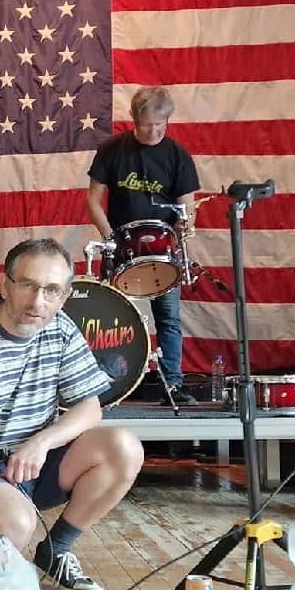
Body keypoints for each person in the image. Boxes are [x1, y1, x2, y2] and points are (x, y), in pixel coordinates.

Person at [0, 239, 145, 590]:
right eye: (27, 285)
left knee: (124, 447)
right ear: (4, 284)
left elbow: (90, 408)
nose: (37, 301)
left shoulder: (60, 328)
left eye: (51, 290)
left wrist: (42, 442)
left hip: (37, 461)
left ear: (64, 296)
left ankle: (56, 551)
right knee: (16, 524)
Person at [86, 86, 201, 405]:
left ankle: (172, 383)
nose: (155, 131)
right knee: (114, 316)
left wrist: (185, 227)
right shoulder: (112, 150)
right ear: (135, 120)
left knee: (168, 317)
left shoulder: (177, 155)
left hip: (163, 248)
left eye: (161, 125)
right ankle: (110, 383)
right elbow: (93, 201)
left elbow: (186, 207)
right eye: (148, 125)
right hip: (121, 245)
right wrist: (109, 236)